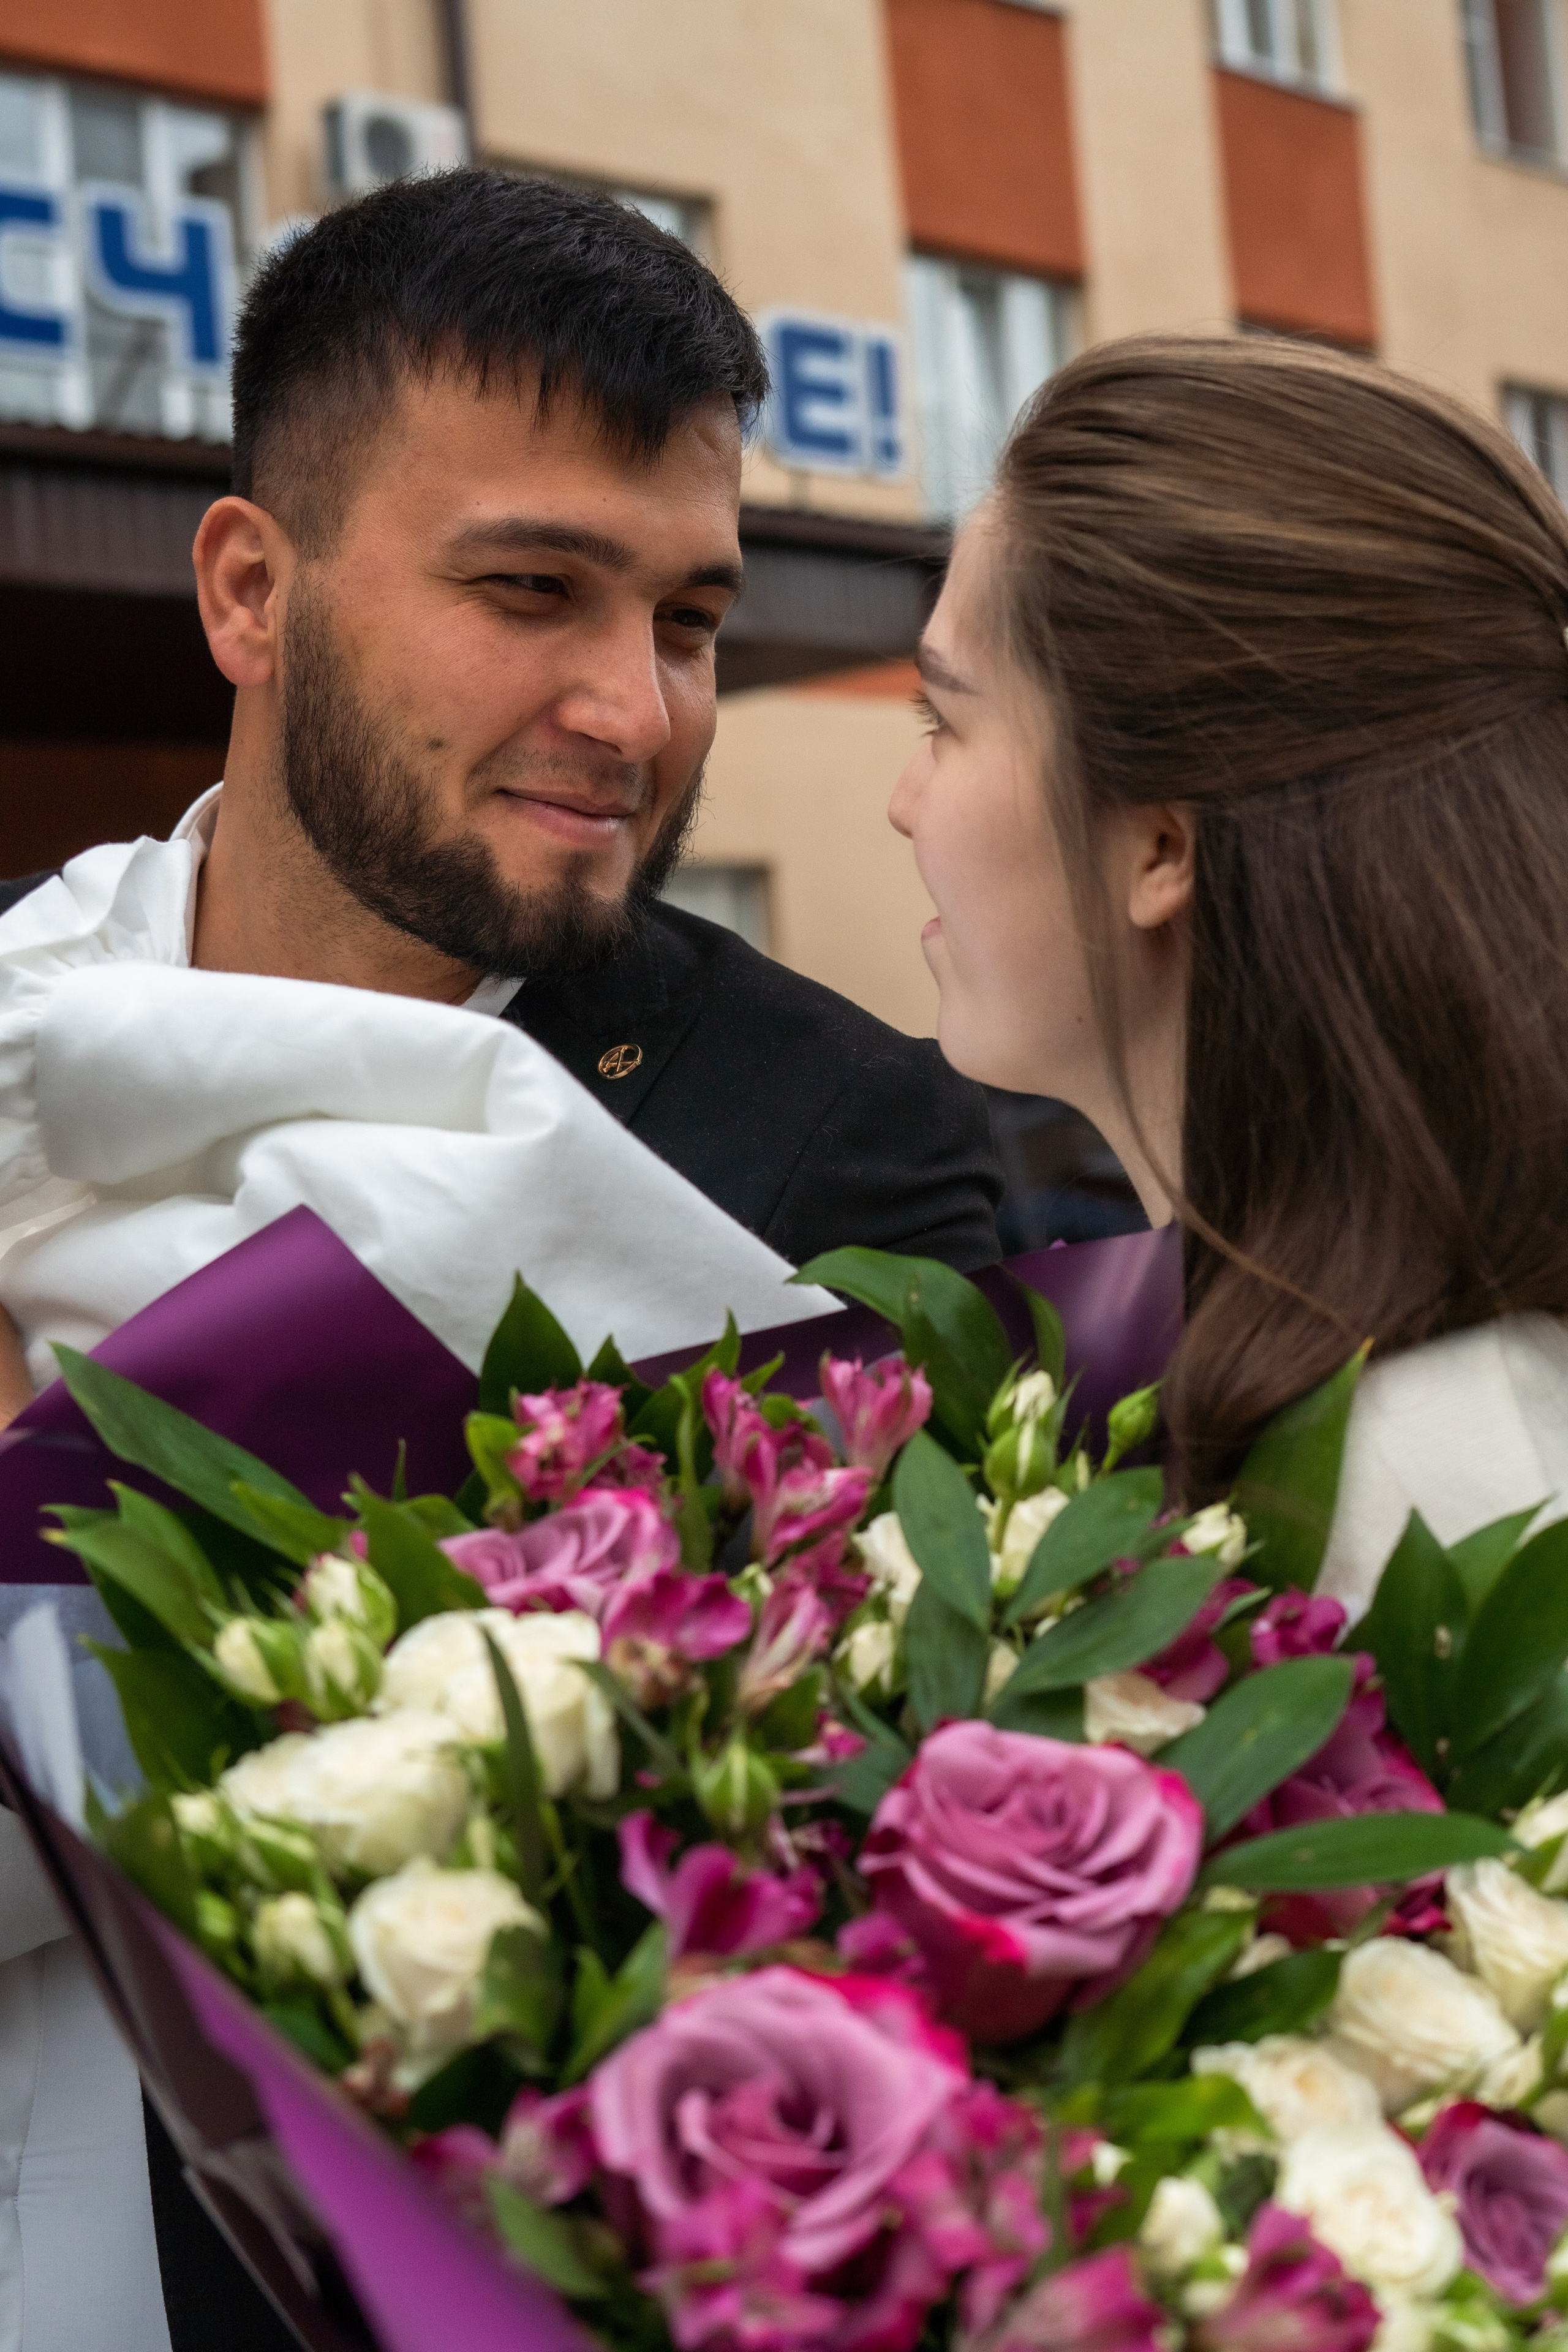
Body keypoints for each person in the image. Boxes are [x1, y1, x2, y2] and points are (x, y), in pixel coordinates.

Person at [0, 170, 1000, 2352]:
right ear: (252, 593)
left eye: (692, 621)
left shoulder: (842, 1162)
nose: (635, 713)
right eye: (532, 589)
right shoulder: (15, 1036)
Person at [890, 329, 1568, 1620]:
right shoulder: (1344, 1398)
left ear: (1158, 844)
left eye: (944, 721)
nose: (902, 802)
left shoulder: (1426, 1503)